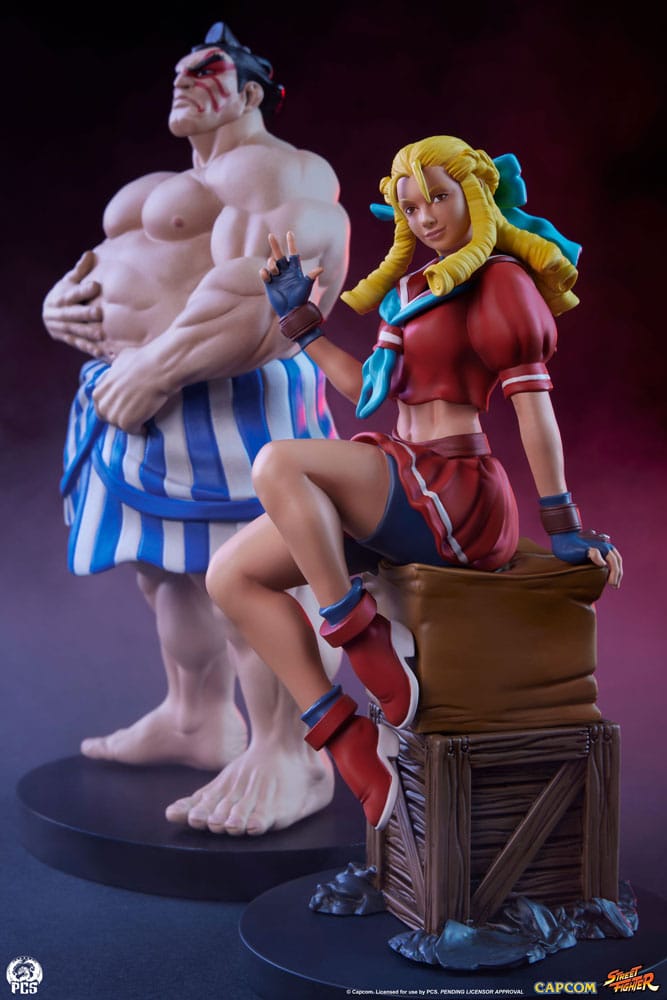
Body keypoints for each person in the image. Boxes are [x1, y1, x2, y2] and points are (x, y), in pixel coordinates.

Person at [205, 134, 623, 831]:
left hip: (457, 493)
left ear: (473, 195)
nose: (425, 217)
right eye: (410, 206)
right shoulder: (412, 291)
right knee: (230, 577)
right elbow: (367, 392)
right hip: (401, 477)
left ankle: (358, 640)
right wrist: (301, 323)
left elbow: (534, 411)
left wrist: (562, 522)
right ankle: (347, 741)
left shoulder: (500, 281)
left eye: (438, 198)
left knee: (278, 461)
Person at [42, 21, 350, 836]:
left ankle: (293, 752)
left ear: (249, 93)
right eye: (179, 70)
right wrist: (60, 304)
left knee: (257, 576)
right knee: (167, 575)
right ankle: (194, 719)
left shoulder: (279, 170)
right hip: (143, 409)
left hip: (229, 402)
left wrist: (158, 366)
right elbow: (104, 264)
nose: (183, 79)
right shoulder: (175, 183)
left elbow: (272, 284)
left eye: (205, 70)